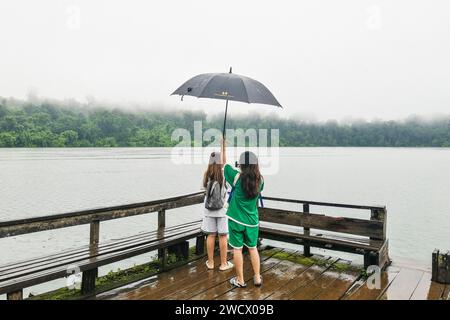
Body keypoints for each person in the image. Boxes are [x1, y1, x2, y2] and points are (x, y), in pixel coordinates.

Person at [221, 139, 264, 288]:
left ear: (241, 164)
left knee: (237, 249)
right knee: (253, 248)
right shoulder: (261, 180)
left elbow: (224, 164)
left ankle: (240, 280)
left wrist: (223, 146)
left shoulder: (236, 177)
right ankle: (257, 277)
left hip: (236, 219)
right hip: (252, 221)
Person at [201, 151, 234, 271]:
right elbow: (230, 188)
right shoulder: (224, 174)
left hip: (209, 209)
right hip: (222, 210)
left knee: (210, 235)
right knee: (223, 236)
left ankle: (210, 262)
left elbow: (204, 188)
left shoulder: (207, 173)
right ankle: (224, 264)